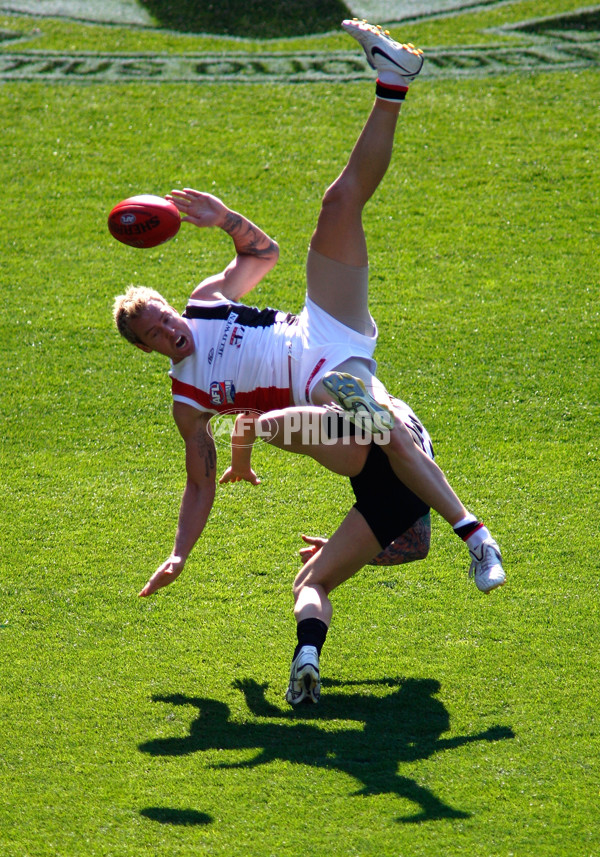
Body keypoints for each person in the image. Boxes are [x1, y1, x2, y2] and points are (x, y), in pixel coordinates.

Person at [112, 20, 505, 607]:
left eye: (165, 317)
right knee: (375, 421)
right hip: (314, 388)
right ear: (147, 350)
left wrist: (224, 218)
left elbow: (262, 254)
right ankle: (468, 535)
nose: (170, 329)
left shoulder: (205, 301)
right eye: (156, 334)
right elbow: (199, 484)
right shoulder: (188, 401)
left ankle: (393, 79)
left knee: (340, 201)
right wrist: (179, 552)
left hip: (321, 325)